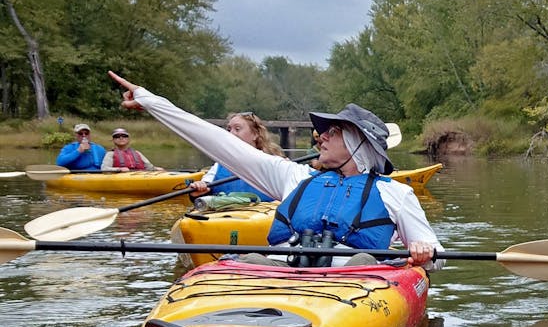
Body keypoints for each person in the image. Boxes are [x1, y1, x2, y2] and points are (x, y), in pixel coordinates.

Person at [108, 71, 440, 268]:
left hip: (353, 285)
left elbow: (437, 257)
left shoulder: (395, 192)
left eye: (333, 132)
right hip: (282, 276)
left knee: (364, 262)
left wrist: (425, 252)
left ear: (358, 144)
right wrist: (152, 101)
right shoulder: (294, 177)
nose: (320, 137)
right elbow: (217, 142)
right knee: (247, 261)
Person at [188, 112, 282, 201]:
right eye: (229, 129)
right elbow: (202, 195)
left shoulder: (276, 163)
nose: (231, 133)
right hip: (225, 214)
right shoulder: (219, 165)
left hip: (263, 214)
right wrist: (197, 191)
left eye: (237, 129)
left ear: (255, 134)